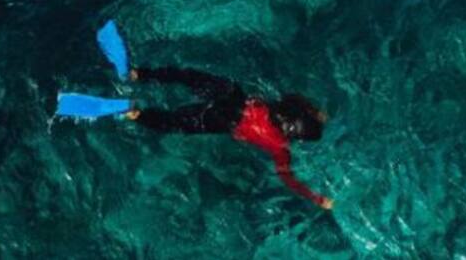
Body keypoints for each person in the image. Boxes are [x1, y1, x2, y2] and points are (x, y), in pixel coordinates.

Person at [122, 66, 334, 209]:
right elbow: (288, 179)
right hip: (223, 120)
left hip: (233, 95)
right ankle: (137, 115)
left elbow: (296, 98)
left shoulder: (284, 105)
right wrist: (318, 199)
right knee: (175, 122)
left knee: (189, 77)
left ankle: (139, 74)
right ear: (296, 137)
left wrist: (316, 112)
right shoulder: (280, 147)